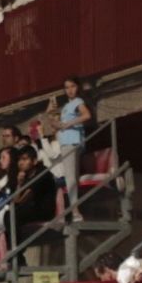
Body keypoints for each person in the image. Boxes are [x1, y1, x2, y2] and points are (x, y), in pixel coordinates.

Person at [50, 76, 91, 217]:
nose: (70, 90)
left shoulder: (78, 101)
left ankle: (75, 210)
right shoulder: (66, 107)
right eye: (67, 87)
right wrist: (52, 116)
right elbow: (56, 126)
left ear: (77, 87)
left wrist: (68, 124)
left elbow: (86, 115)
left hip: (71, 141)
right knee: (72, 177)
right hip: (66, 141)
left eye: (72, 86)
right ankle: (75, 209)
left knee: (70, 178)